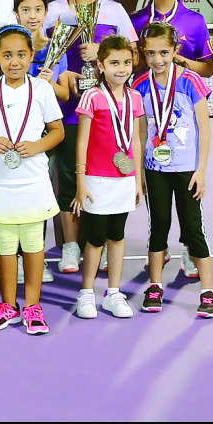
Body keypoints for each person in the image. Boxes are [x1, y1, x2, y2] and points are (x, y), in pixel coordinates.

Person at [43, 0, 138, 274]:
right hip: (65, 109)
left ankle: (106, 242)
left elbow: (134, 57)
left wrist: (104, 51)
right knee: (68, 180)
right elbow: (39, 53)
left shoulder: (115, 12)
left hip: (105, 113)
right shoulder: (53, 11)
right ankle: (70, 247)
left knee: (103, 177)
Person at [0, 26, 65, 335]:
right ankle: (8, 305)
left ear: (31, 57)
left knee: (34, 243)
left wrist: (36, 146)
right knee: (6, 243)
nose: (14, 61)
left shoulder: (42, 89)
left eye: (21, 55)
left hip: (33, 178)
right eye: (7, 55)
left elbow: (58, 131)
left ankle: (33, 305)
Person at [133, 22, 213, 317]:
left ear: (175, 51)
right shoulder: (140, 85)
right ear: (144, 54)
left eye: (164, 53)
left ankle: (208, 291)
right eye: (151, 54)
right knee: (158, 226)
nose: (157, 60)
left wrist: (201, 170)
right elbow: (141, 132)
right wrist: (138, 173)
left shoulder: (191, 82)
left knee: (194, 228)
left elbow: (205, 129)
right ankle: (155, 285)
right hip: (155, 168)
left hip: (187, 169)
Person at [72, 35, 145, 320]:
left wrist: (137, 180)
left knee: (117, 236)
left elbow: (136, 142)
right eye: (114, 63)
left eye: (127, 62)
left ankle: (113, 292)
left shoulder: (135, 97)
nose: (122, 68)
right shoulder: (92, 96)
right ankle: (86, 293)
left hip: (124, 179)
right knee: (94, 239)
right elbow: (81, 143)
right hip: (96, 181)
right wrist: (81, 182)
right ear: (100, 65)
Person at [11, 0, 69, 285]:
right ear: (17, 12)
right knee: (17, 197)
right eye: (25, 9)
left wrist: (47, 82)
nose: (32, 16)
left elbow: (65, 92)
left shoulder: (56, 46)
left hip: (45, 135)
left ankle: (39, 257)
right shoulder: (10, 45)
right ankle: (18, 259)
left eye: (38, 9)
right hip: (15, 134)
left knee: (41, 198)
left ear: (46, 12)